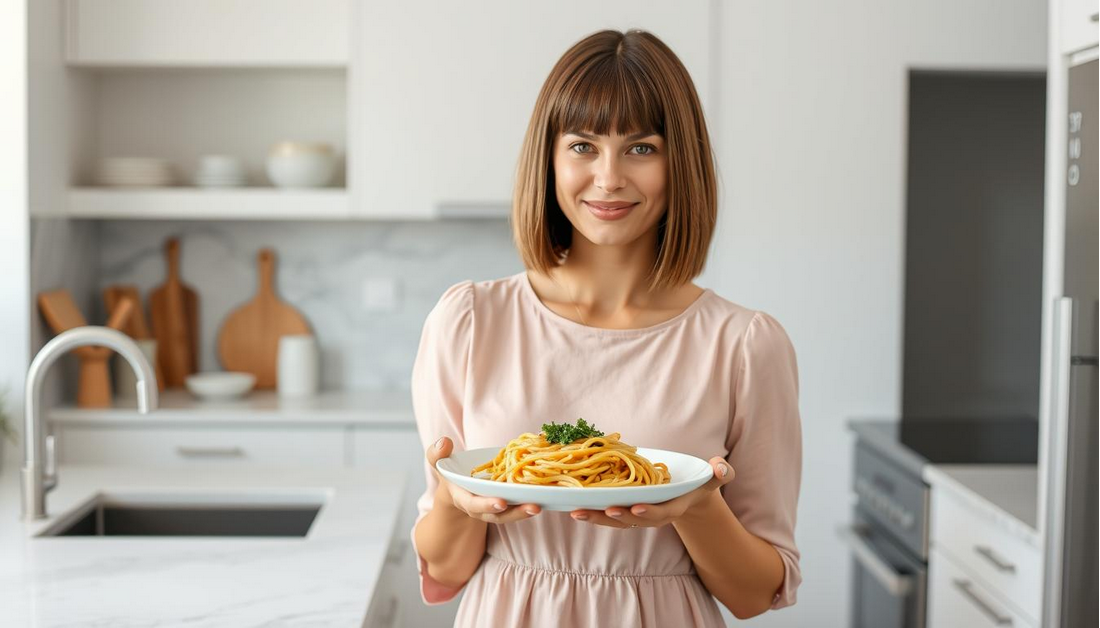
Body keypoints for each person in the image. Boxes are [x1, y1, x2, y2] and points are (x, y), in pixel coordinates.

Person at [410, 29, 802, 627]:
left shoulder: (745, 345)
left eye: (641, 148)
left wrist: (695, 509)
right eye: (583, 146)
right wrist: (453, 499)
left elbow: (755, 593)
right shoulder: (468, 322)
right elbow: (444, 570)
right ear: (550, 157)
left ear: (681, 162)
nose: (610, 177)